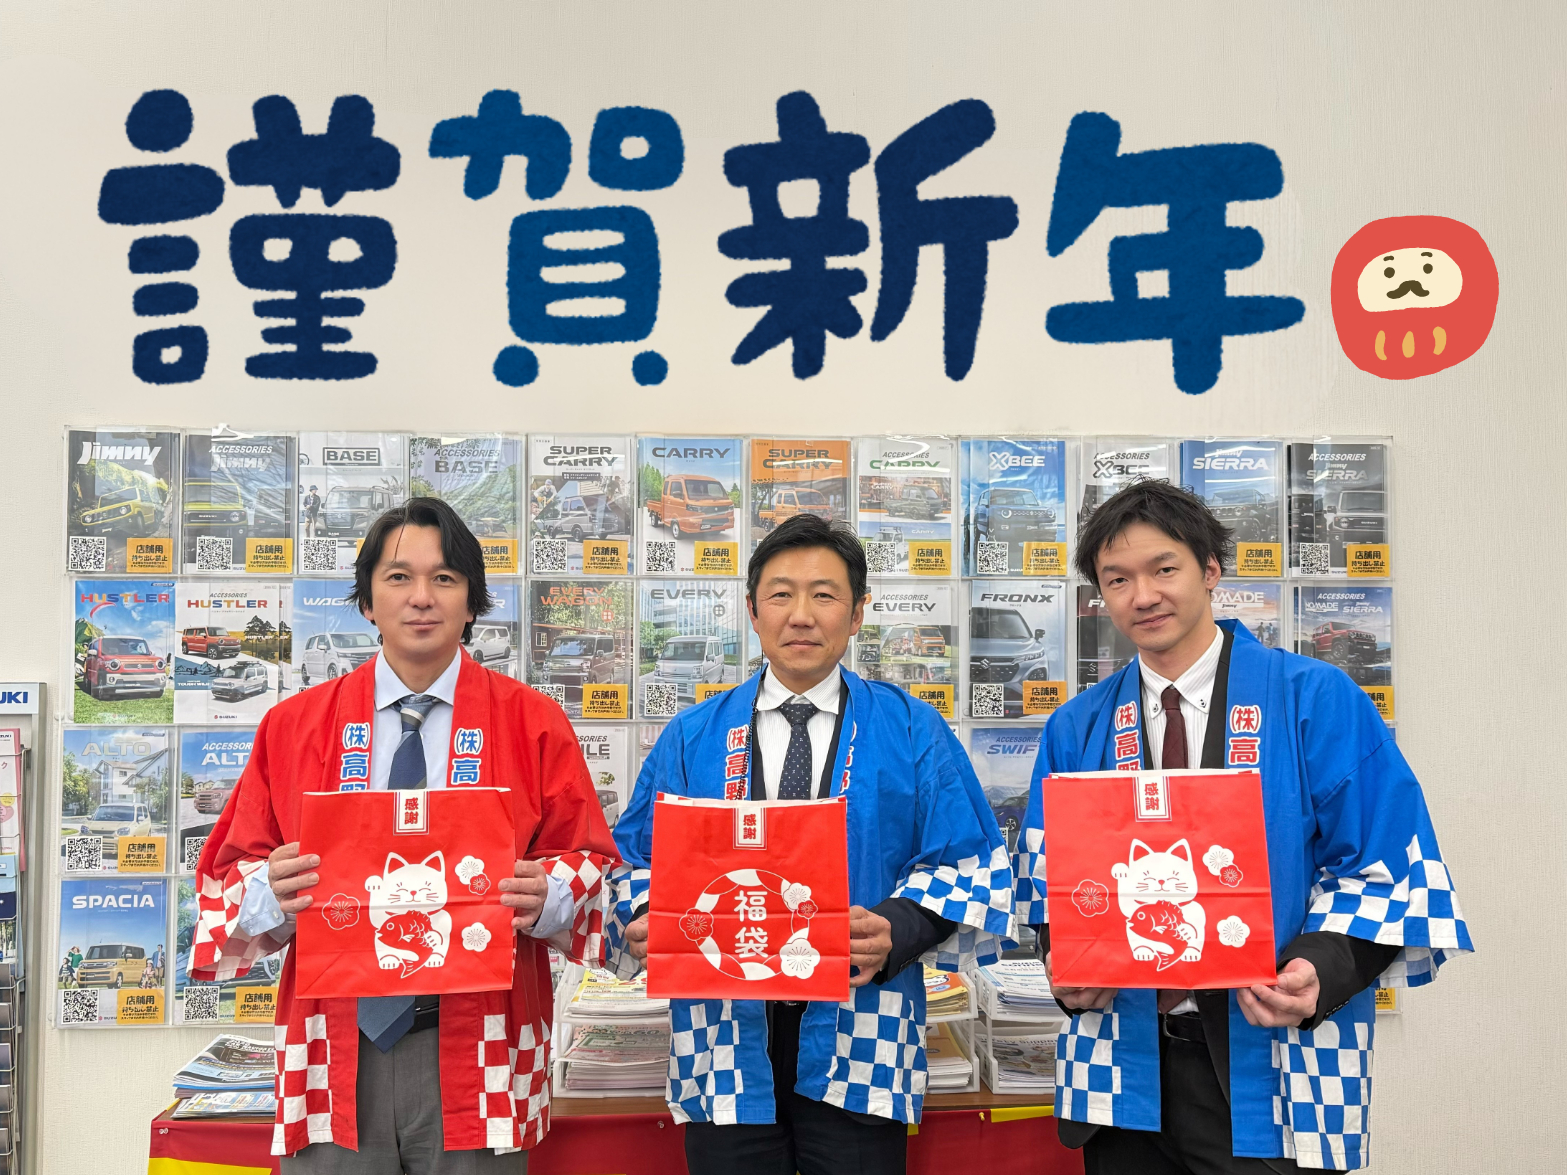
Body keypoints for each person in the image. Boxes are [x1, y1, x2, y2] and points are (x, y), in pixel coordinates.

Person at [1013, 481, 1472, 1173]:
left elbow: (1388, 868)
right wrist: (1064, 967)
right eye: (1117, 579)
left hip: (1274, 1062)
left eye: (1163, 569)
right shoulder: (1076, 726)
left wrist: (1318, 968)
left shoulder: (1314, 698)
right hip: (1122, 1072)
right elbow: (1051, 882)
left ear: (1210, 570)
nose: (1143, 595)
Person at [192, 497, 618, 1173]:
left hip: (485, 1040)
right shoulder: (294, 726)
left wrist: (551, 894)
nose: (422, 597)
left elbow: (593, 864)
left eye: (444, 578)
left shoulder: (531, 722)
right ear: (367, 601)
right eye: (398, 577)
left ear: (472, 603)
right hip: (333, 1039)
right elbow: (221, 880)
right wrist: (272, 889)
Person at [606, 515, 1014, 1175]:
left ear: (857, 613)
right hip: (723, 1040)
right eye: (780, 594)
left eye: (824, 594)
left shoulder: (912, 729)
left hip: (864, 1031)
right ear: (752, 611)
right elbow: (633, 858)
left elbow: (970, 863)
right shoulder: (693, 734)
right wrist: (648, 915)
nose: (801, 614)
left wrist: (897, 926)